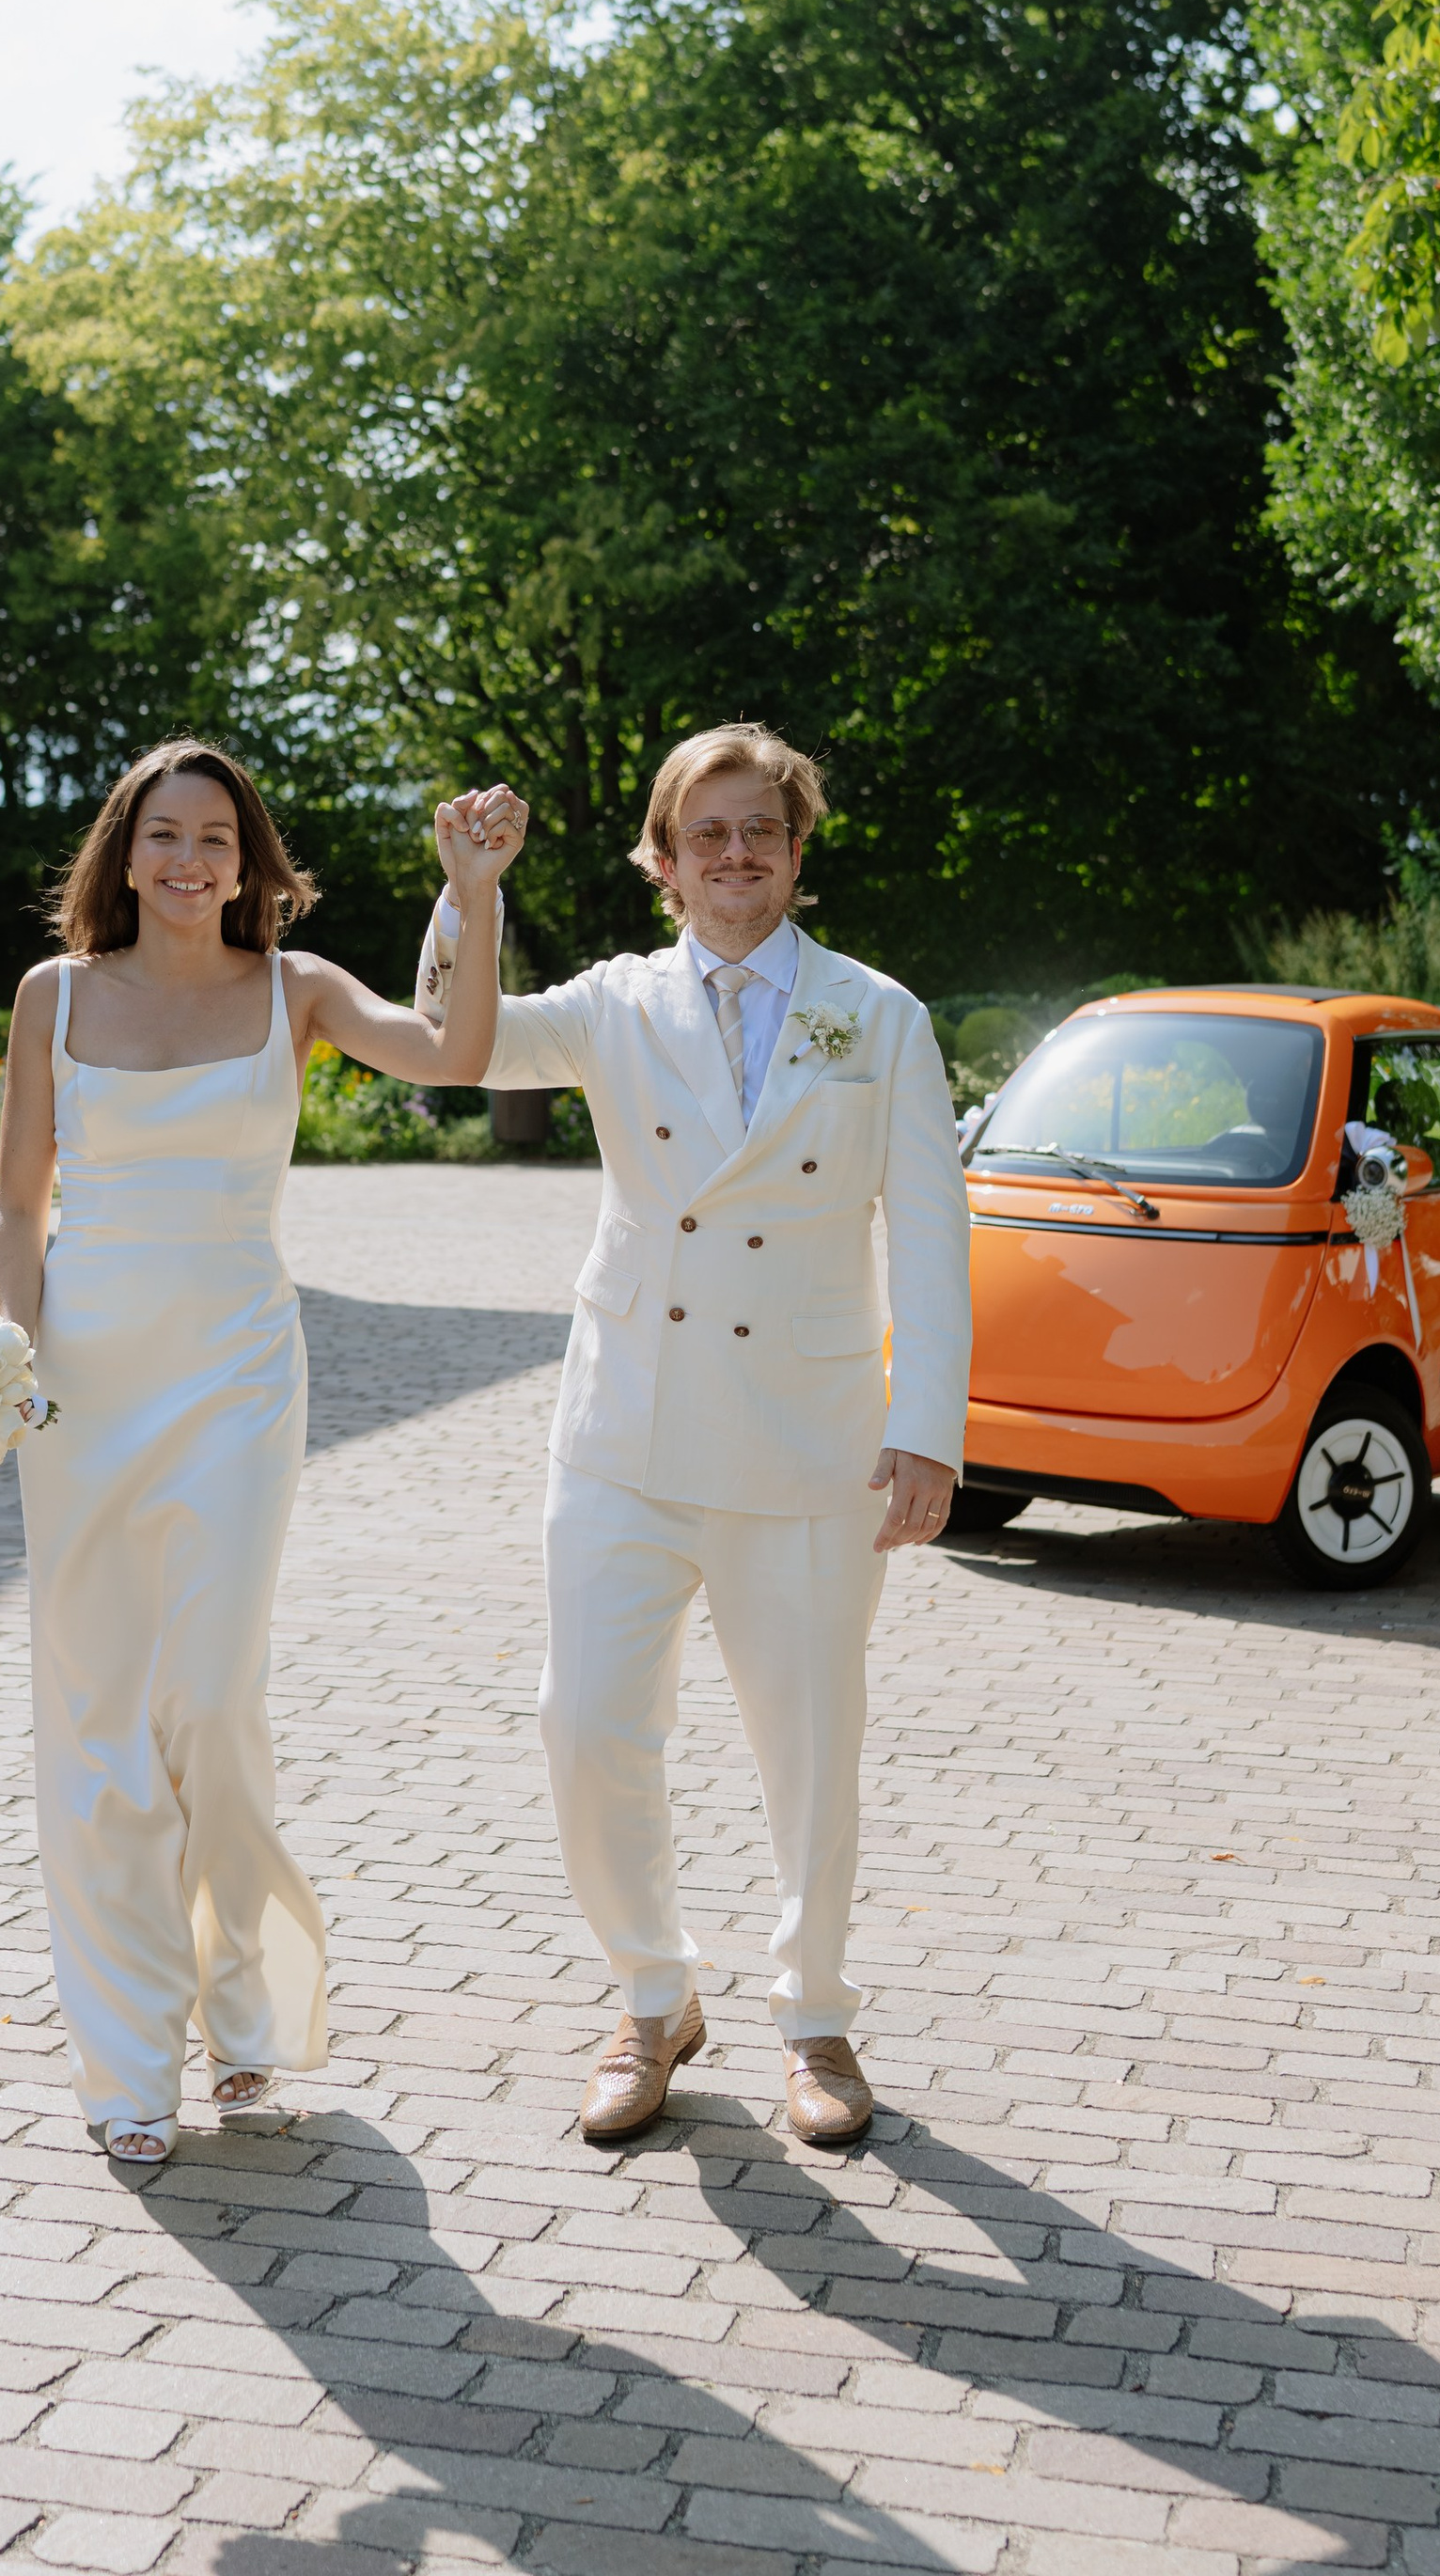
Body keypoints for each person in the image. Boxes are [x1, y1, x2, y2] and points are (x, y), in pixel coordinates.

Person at [422, 722, 970, 2146]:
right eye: (709, 834)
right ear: (662, 861)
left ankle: (814, 2014)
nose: (738, 855)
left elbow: (930, 1234)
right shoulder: (612, 1003)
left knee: (811, 1739)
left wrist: (930, 1432)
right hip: (626, 1424)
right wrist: (468, 894)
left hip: (810, 1440)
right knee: (586, 1720)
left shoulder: (880, 1014)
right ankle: (652, 1997)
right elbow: (460, 1044)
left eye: (762, 832)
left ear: (794, 852)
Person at [0, 736, 523, 2165]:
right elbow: (16, 1210)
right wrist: (6, 1364)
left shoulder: (299, 992)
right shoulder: (55, 997)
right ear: (124, 849)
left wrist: (469, 897)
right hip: (82, 1391)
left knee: (212, 1708)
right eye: (163, 833)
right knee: (97, 1726)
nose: (188, 859)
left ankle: (245, 2013)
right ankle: (124, 2062)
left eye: (215, 837)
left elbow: (457, 1057)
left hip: (235, 1375)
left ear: (248, 859)